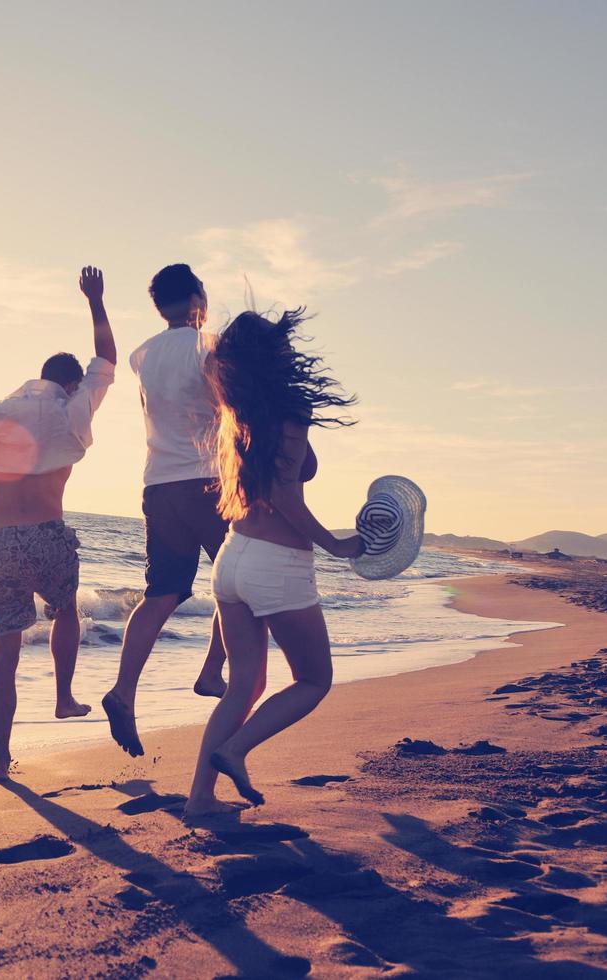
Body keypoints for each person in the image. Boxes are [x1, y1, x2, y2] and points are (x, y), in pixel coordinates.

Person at [183, 309, 365, 818]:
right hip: (276, 564)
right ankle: (236, 751)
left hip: (232, 557)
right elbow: (285, 494)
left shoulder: (233, 412)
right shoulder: (289, 409)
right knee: (312, 679)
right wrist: (335, 545)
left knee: (244, 686)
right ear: (275, 356)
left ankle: (200, 799)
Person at [0, 266, 116, 782]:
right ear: (67, 382)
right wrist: (95, 300)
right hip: (47, 536)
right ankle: (63, 697)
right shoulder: (70, 408)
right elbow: (105, 361)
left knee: (5, 655)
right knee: (65, 609)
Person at [101, 264, 229, 759]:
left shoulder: (143, 354)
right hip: (211, 481)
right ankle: (211, 670)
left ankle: (124, 690)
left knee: (162, 593)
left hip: (159, 484)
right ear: (200, 295)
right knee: (236, 581)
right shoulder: (213, 347)